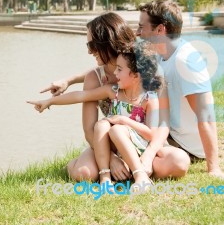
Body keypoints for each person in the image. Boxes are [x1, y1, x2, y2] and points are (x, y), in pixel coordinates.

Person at [29, 42, 163, 189]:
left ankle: (140, 177)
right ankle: (104, 177)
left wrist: (123, 120)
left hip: (135, 146)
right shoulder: (113, 91)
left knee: (117, 129)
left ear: (136, 76)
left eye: (119, 69)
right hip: (111, 147)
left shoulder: (149, 98)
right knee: (101, 125)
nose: (115, 74)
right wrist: (50, 101)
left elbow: (151, 134)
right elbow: (81, 96)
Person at [136, 0, 224, 180]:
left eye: (141, 27)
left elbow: (206, 115)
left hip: (183, 145)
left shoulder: (186, 61)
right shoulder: (161, 55)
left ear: (160, 30)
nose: (137, 33)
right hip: (166, 133)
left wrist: (213, 168)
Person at [40, 12, 136, 182]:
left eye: (92, 46)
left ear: (108, 42)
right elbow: (89, 130)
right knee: (84, 173)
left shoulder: (139, 68)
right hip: (106, 142)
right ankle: (72, 165)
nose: (89, 52)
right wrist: (111, 159)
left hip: (136, 140)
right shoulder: (95, 78)